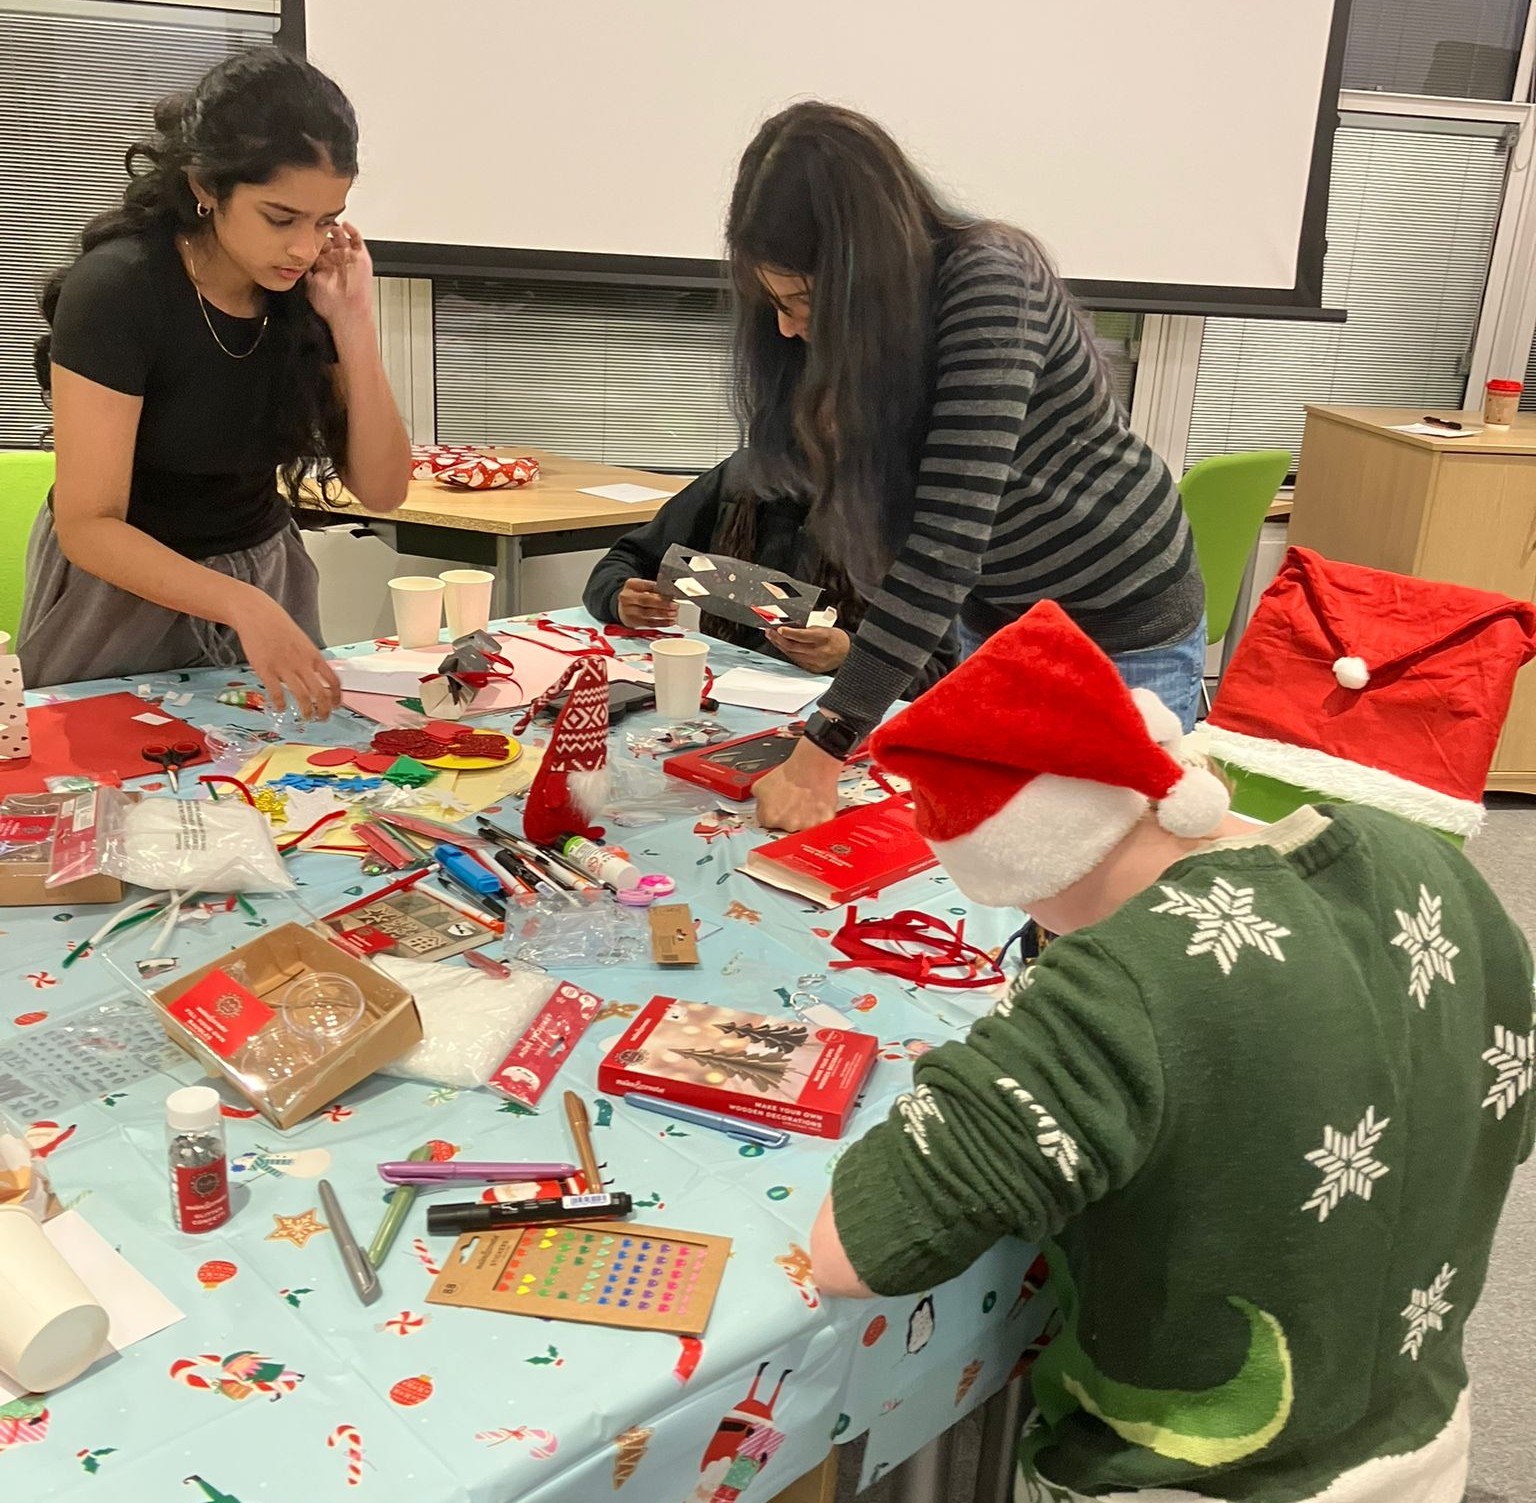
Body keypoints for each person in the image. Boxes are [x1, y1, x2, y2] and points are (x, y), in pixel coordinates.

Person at [808, 602, 1533, 1502]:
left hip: (1200, 1479)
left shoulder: (1114, 986)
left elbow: (855, 1251)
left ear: (1029, 873)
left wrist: (998, 1058)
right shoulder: (1427, 860)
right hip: (1418, 1432)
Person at [725, 103, 1205, 832]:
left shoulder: (992, 281)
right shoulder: (871, 333)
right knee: (1007, 844)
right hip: (1005, 621)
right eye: (776, 303)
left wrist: (822, 750)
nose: (788, 327)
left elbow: (946, 546)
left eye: (804, 300)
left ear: (865, 271)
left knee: (1117, 856)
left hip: (1121, 621)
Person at [21, 50, 410, 716]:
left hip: (264, 578)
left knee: (293, 774)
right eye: (280, 218)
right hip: (122, 593)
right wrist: (242, 605)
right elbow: (89, 526)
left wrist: (354, 323)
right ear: (206, 186)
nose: (305, 248)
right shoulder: (118, 290)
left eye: (325, 221)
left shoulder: (303, 291)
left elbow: (383, 488)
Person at [582, 451, 961, 696]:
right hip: (719, 693)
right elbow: (625, 561)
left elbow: (941, 671)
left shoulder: (900, 507)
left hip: (835, 716)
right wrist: (619, 599)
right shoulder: (743, 476)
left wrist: (851, 655)